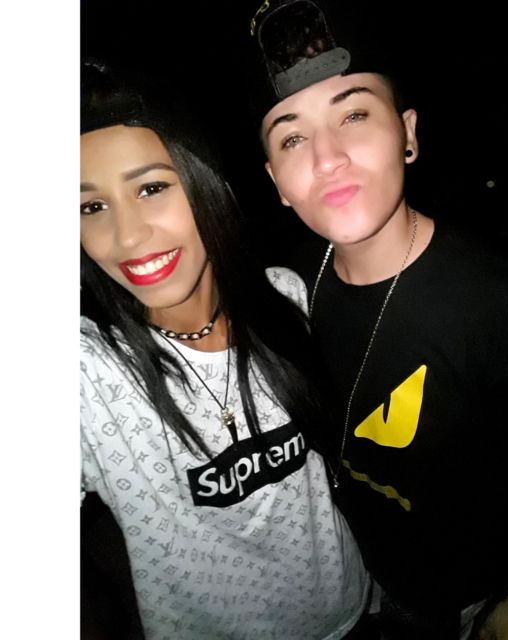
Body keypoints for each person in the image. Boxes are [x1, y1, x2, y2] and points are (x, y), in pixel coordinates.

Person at [243, 1, 508, 638]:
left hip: (465, 600)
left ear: (408, 134)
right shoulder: (285, 289)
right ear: (276, 180)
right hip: (352, 586)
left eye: (354, 114)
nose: (327, 157)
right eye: (293, 137)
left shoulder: (499, 304)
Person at [79, 59, 370, 640]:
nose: (127, 235)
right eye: (90, 207)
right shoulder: (88, 374)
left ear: (207, 183)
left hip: (352, 613)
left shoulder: (287, 298)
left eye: (152, 188)